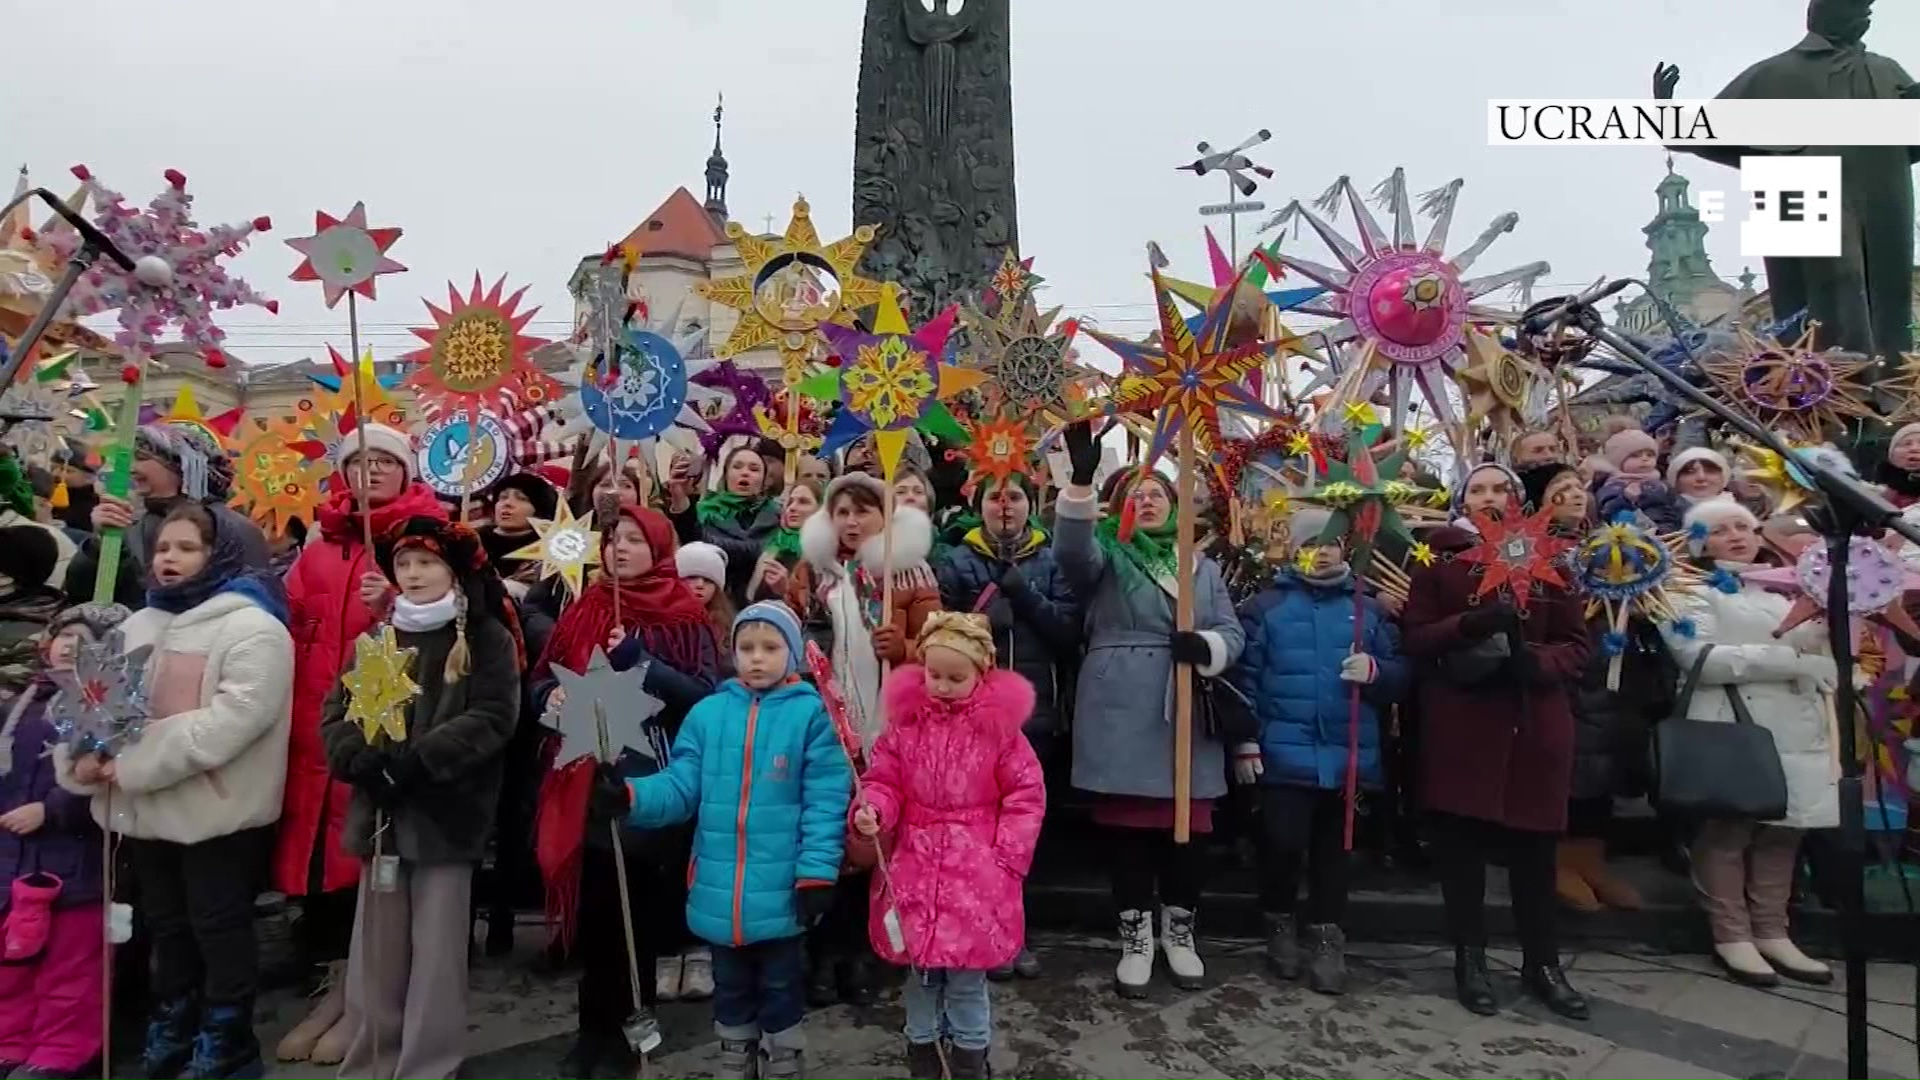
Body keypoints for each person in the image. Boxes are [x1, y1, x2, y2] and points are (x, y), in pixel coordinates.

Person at [58, 502, 295, 1080]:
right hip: (146, 813)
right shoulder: (139, 624)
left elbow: (233, 720)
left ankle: (227, 1038)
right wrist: (84, 755)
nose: (169, 559)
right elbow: (95, 701)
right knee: (167, 925)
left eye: (187, 548)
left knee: (218, 925)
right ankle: (176, 1020)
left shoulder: (253, 627)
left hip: (217, 811)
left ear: (222, 553)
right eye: (164, 547)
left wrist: (133, 762)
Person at [597, 601, 852, 1080]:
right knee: (730, 986)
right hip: (718, 887)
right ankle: (736, 1058)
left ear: (792, 653)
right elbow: (682, 785)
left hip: (783, 889)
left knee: (780, 984)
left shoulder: (812, 717)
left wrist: (817, 872)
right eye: (746, 648)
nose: (757, 658)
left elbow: (825, 802)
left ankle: (782, 1057)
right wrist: (632, 796)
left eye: (771, 648)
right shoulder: (708, 714)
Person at [321, 517, 521, 1080]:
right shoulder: (379, 635)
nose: (412, 574)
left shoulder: (484, 636)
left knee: (435, 957)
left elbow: (494, 714)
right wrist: (356, 756)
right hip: (380, 815)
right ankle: (372, 1058)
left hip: (444, 815)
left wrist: (422, 760)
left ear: (451, 571)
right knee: (376, 953)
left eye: (426, 563)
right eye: (404, 564)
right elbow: (336, 708)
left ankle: (427, 1066)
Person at [274, 423, 447, 1066]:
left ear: (405, 473)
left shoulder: (423, 539)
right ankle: (332, 982)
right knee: (317, 853)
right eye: (358, 462)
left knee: (371, 853)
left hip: (388, 720)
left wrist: (397, 600)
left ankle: (366, 990)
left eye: (384, 462)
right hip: (317, 723)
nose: (370, 472)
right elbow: (293, 623)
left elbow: (456, 620)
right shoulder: (318, 547)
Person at [1053, 422, 1245, 997]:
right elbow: (1070, 551)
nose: (1147, 498)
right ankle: (1134, 935)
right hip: (1122, 703)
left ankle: (1179, 932)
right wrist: (1081, 487)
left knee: (1188, 832)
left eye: (1158, 492)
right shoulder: (1106, 557)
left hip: (1186, 703)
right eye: (1135, 494)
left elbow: (1232, 631)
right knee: (1129, 833)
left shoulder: (1202, 568)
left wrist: (1208, 648)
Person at [532, 505, 723, 1078]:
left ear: (659, 549)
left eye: (634, 540)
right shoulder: (586, 607)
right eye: (613, 538)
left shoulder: (682, 616)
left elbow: (705, 695)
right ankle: (591, 1030)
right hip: (581, 777)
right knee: (595, 919)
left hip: (644, 784)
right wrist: (548, 700)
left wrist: (643, 660)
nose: (619, 548)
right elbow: (542, 676)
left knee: (632, 916)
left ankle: (628, 1032)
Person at [1402, 461, 1592, 1020]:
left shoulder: (1550, 560)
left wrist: (1539, 660)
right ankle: (1471, 959)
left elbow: (1578, 643)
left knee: (1535, 855)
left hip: (1534, 721)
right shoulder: (1441, 562)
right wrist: (1471, 626)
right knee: (1462, 854)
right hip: (1465, 722)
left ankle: (1543, 963)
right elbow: (1415, 637)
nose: (1490, 497)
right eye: (1478, 488)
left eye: (1501, 488)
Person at [851, 614, 1046, 1080]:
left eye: (956, 678)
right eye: (933, 675)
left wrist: (1006, 858)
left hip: (977, 873)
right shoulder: (904, 728)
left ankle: (969, 1059)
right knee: (919, 977)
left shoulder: (1000, 733)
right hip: (913, 866)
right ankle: (922, 1053)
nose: (942, 686)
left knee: (966, 980)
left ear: (982, 675)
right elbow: (885, 782)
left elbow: (1025, 795)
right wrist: (874, 811)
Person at [1232, 507, 1406, 996]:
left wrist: (1378, 673)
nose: (1322, 551)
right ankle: (1279, 919)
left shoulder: (1369, 609)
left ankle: (1328, 932)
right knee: (1283, 843)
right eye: (1312, 543)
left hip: (1348, 752)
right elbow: (1245, 679)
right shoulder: (1264, 608)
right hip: (1284, 753)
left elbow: (1400, 674)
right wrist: (1246, 740)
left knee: (1336, 851)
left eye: (1330, 542)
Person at [1667, 497, 1838, 986]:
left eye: (1744, 525)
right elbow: (1698, 656)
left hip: (1799, 725)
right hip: (1736, 724)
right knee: (1729, 831)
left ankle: (1773, 930)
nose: (1737, 536)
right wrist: (1793, 660)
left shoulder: (1788, 585)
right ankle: (1731, 933)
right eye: (1721, 530)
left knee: (1785, 830)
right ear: (1700, 541)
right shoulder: (1689, 587)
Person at [787, 472, 942, 1006]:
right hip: (827, 727)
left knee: (877, 838)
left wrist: (903, 646)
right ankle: (826, 952)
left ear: (885, 517)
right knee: (831, 838)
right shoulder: (814, 573)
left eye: (864, 511)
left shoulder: (910, 572)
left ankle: (869, 951)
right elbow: (792, 641)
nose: (852, 523)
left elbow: (938, 651)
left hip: (889, 727)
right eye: (842, 512)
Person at [933, 473, 1079, 980]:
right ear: (979, 506)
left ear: (1030, 504)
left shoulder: (1052, 559)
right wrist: (980, 619)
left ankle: (1017, 931)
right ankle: (979, 929)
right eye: (994, 498)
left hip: (1034, 719)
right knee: (976, 833)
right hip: (971, 719)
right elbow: (940, 637)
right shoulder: (956, 560)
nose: (1005, 506)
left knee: (1020, 835)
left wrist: (1027, 598)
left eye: (1014, 496)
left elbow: (1068, 633)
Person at [0, 603, 128, 1080]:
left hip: (74, 863)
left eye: (85, 638)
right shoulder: (19, 701)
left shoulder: (107, 707)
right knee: (11, 963)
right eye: (64, 634)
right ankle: (10, 1041)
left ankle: (61, 1050)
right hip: (11, 862)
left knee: (69, 969)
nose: (70, 644)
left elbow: (98, 778)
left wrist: (51, 810)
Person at [65, 424, 270, 609]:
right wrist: (100, 544)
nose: (131, 468)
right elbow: (83, 592)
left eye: (142, 458)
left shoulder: (232, 527)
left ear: (182, 465)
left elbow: (254, 599)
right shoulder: (133, 526)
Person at [686, 444, 782, 607]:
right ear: (725, 476)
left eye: (754, 469)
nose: (745, 472)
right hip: (711, 607)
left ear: (764, 481)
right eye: (737, 467)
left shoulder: (780, 519)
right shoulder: (703, 514)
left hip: (759, 608)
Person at [481, 470, 560, 596]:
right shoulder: (470, 540)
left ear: (539, 511)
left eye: (522, 499)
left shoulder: (553, 548)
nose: (507, 504)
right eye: (502, 497)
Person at [749, 480, 821, 604]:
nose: (792, 508)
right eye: (790, 502)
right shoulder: (772, 547)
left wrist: (786, 590)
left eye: (803, 502)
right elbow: (753, 599)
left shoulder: (826, 553)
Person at [1595, 429, 1681, 531]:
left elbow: (1676, 507)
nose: (1645, 459)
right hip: (1630, 535)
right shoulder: (1614, 484)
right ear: (1618, 461)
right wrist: (1626, 498)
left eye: (1650, 455)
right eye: (1635, 456)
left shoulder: (1661, 484)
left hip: (1667, 532)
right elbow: (1607, 510)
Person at [1667, 446, 1732, 516]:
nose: (1701, 477)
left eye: (1710, 471)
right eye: (1690, 472)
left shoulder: (1741, 512)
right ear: (1676, 480)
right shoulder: (1664, 515)